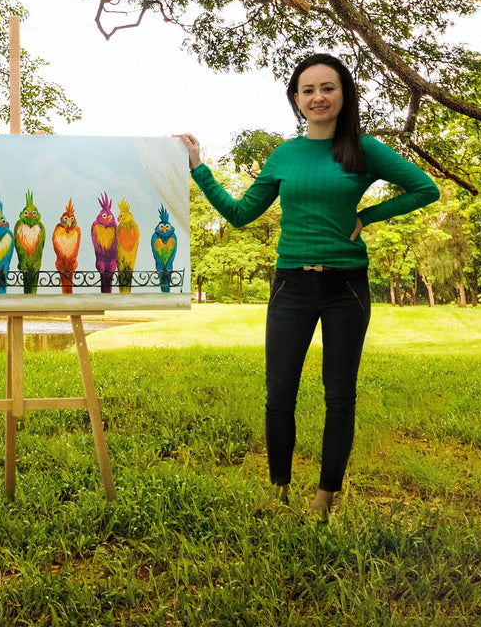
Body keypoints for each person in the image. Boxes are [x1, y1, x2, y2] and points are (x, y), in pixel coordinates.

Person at [177, 53, 439, 520]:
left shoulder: (363, 149)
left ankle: (324, 499)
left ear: (343, 94)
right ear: (296, 99)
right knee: (279, 393)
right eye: (308, 90)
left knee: (339, 395)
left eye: (328, 88)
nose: (318, 97)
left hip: (347, 288)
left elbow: (425, 189)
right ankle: (278, 489)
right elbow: (240, 215)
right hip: (290, 286)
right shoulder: (284, 154)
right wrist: (200, 169)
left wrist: (367, 216)